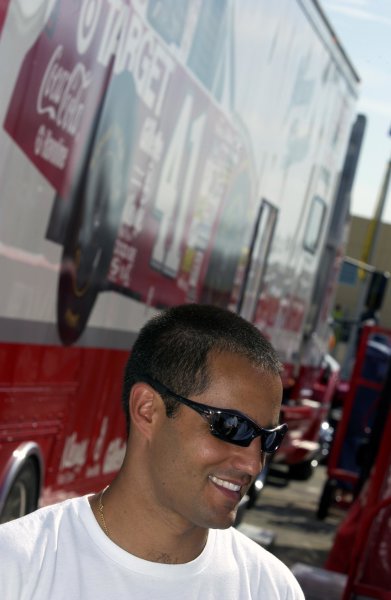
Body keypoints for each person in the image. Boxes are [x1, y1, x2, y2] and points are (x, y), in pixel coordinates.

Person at [0, 304, 304, 599]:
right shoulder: (16, 567)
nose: (253, 463)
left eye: (269, 438)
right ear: (147, 410)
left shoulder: (272, 589)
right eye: (232, 427)